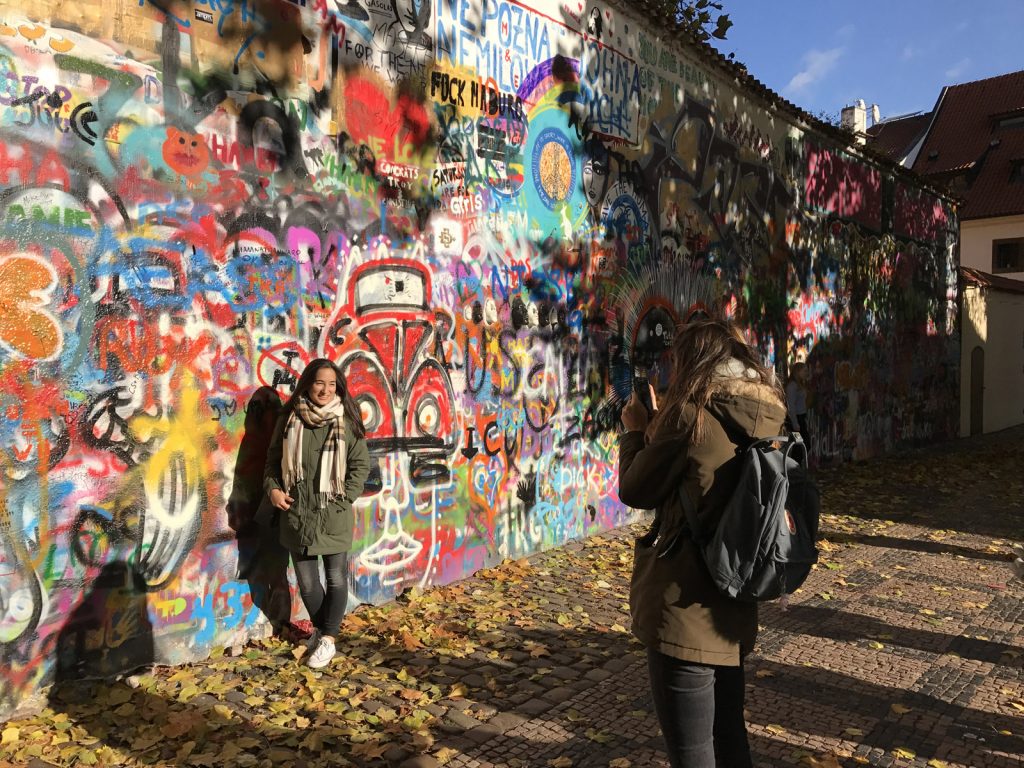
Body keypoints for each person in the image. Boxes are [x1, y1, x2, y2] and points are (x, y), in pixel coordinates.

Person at [618, 318, 787, 768]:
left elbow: (636, 488)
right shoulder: (765, 417)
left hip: (684, 609)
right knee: (731, 742)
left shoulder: (688, 417)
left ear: (693, 362)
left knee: (692, 755)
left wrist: (635, 430)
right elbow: (703, 474)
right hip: (732, 608)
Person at [264, 359, 371, 668]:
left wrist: (345, 496)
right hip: (297, 513)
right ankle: (324, 631)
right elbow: (272, 462)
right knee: (308, 584)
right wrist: (272, 489)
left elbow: (360, 464)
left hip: (332, 511)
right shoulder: (289, 419)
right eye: (319, 383)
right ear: (308, 383)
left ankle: (327, 638)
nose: (325, 389)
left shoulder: (347, 420)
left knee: (336, 578)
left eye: (332, 384)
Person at [785, 361, 809, 438]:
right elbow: (791, 406)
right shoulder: (792, 386)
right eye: (805, 371)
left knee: (802, 444)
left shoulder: (800, 384)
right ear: (798, 372)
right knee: (802, 445)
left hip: (801, 417)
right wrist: (795, 423)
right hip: (796, 418)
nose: (807, 373)